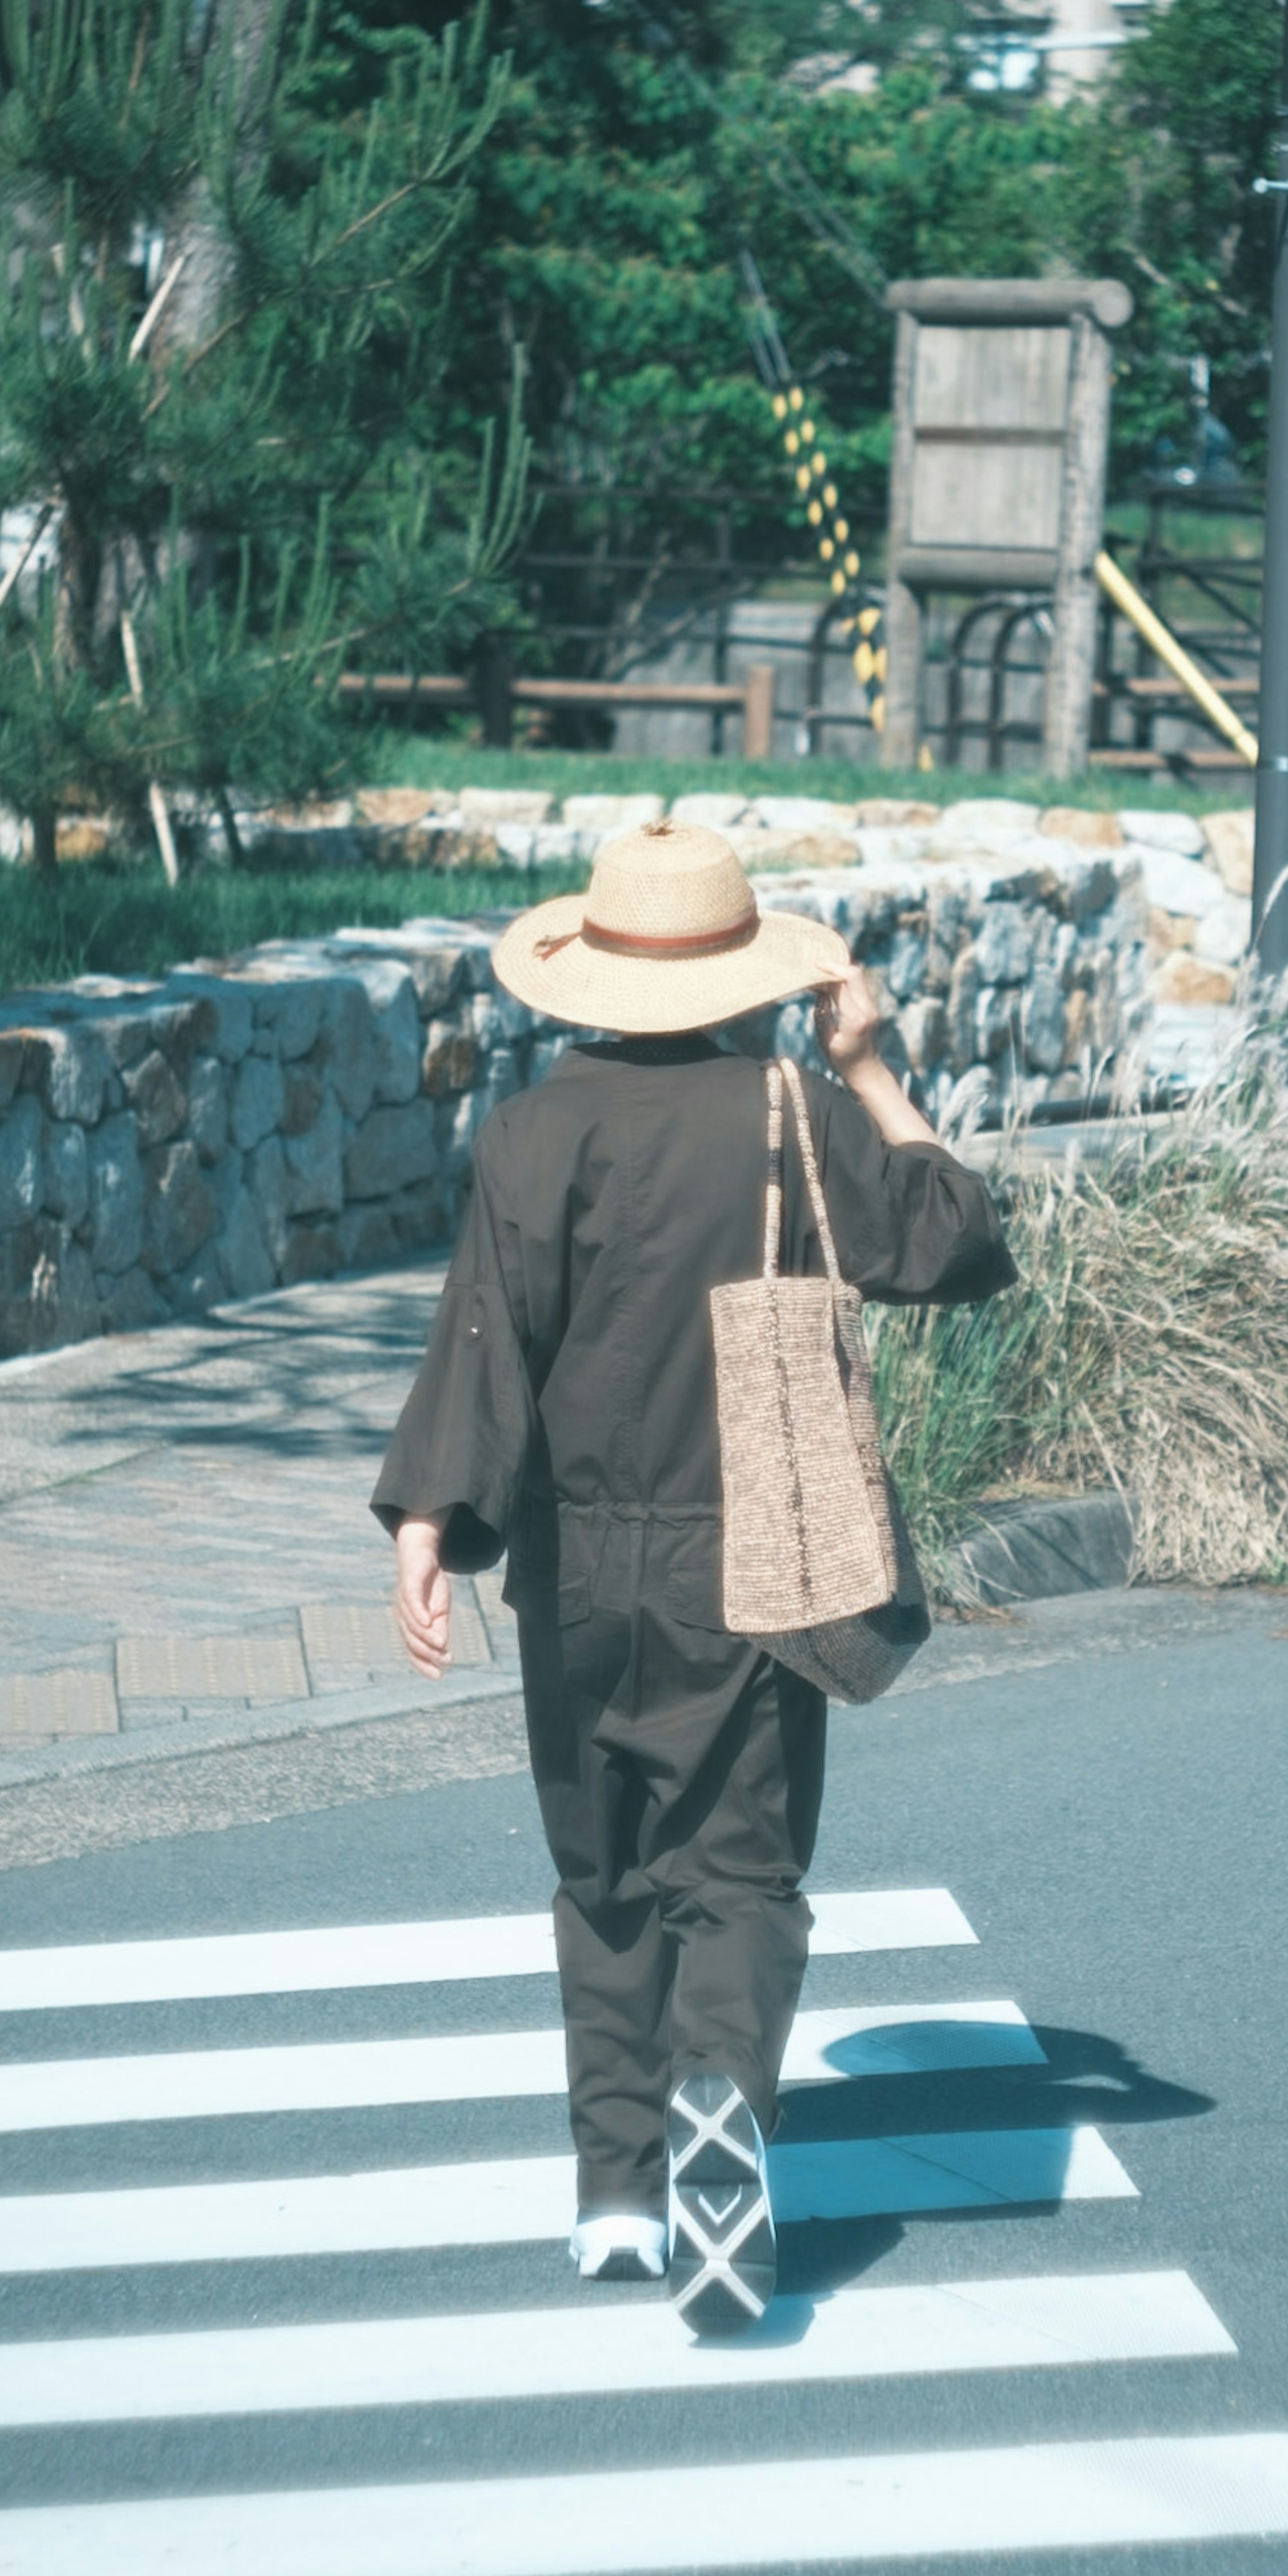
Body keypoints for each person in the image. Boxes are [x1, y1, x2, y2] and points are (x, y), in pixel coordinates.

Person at [373, 819, 1013, 2331]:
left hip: (576, 1560)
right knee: (738, 1864)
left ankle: (614, 2186)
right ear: (744, 974)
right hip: (759, 1548)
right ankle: (720, 2077)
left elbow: (485, 1339)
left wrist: (427, 1522)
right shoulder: (788, 1107)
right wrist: (864, 1061)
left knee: (602, 1871)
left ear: (591, 975)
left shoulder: (531, 1133)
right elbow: (953, 1240)